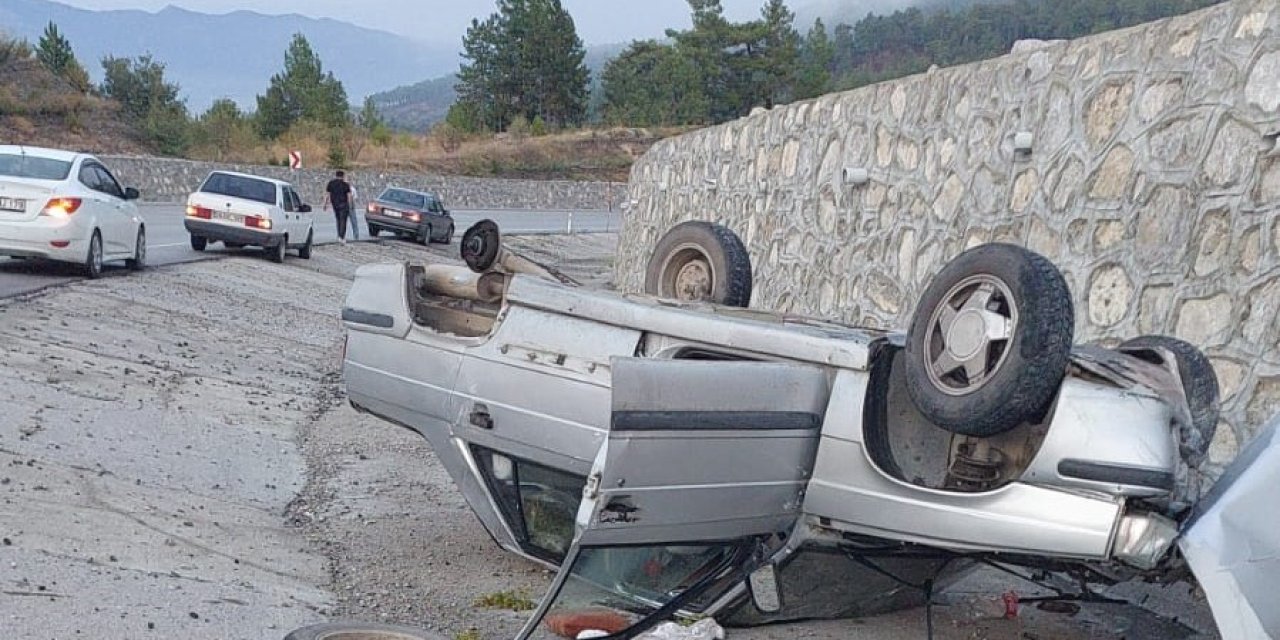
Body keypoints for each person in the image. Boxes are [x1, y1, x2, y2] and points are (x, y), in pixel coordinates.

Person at [323, 170, 353, 244]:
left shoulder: (331, 183)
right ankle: (341, 237)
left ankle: (339, 235)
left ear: (336, 175)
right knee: (343, 221)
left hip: (335, 205)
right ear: (343, 176)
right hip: (344, 204)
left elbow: (327, 194)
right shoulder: (346, 185)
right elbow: (349, 196)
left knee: (338, 220)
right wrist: (350, 205)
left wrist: (325, 204)